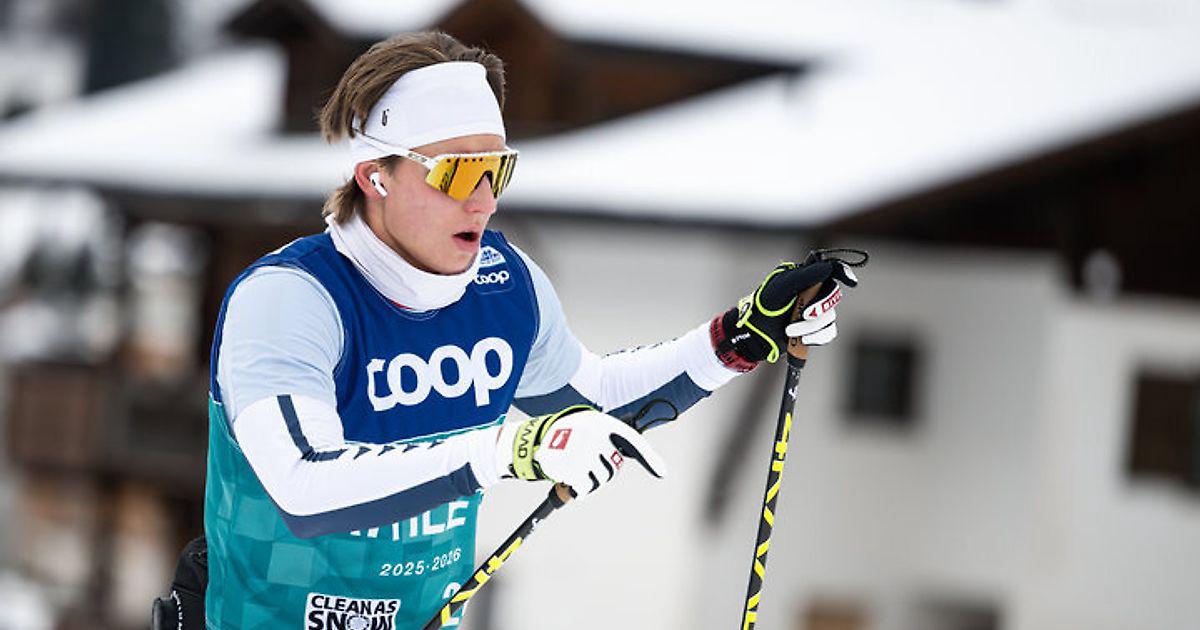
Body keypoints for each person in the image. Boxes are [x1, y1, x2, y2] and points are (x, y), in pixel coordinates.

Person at [195, 30, 857, 630]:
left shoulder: (503, 287)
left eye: (497, 170)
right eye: (458, 172)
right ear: (375, 176)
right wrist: (506, 450)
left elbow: (594, 404)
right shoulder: (291, 299)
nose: (484, 201)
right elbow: (303, 487)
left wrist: (740, 337)